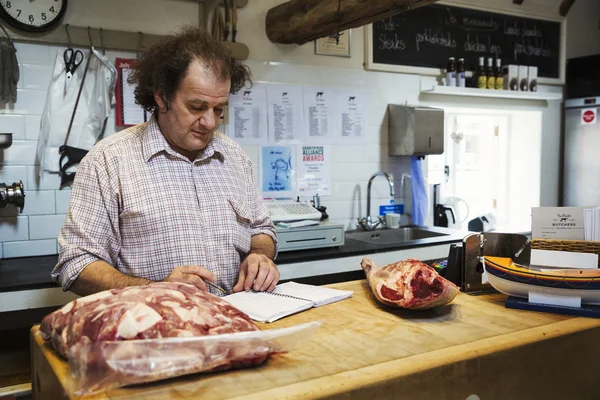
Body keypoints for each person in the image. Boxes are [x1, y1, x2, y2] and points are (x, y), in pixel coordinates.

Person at [52, 26, 279, 297]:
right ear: (162, 96)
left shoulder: (235, 157)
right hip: (154, 329)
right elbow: (75, 264)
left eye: (218, 109)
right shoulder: (107, 161)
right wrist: (154, 289)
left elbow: (262, 230)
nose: (209, 122)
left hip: (233, 323)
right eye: (196, 107)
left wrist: (259, 255)